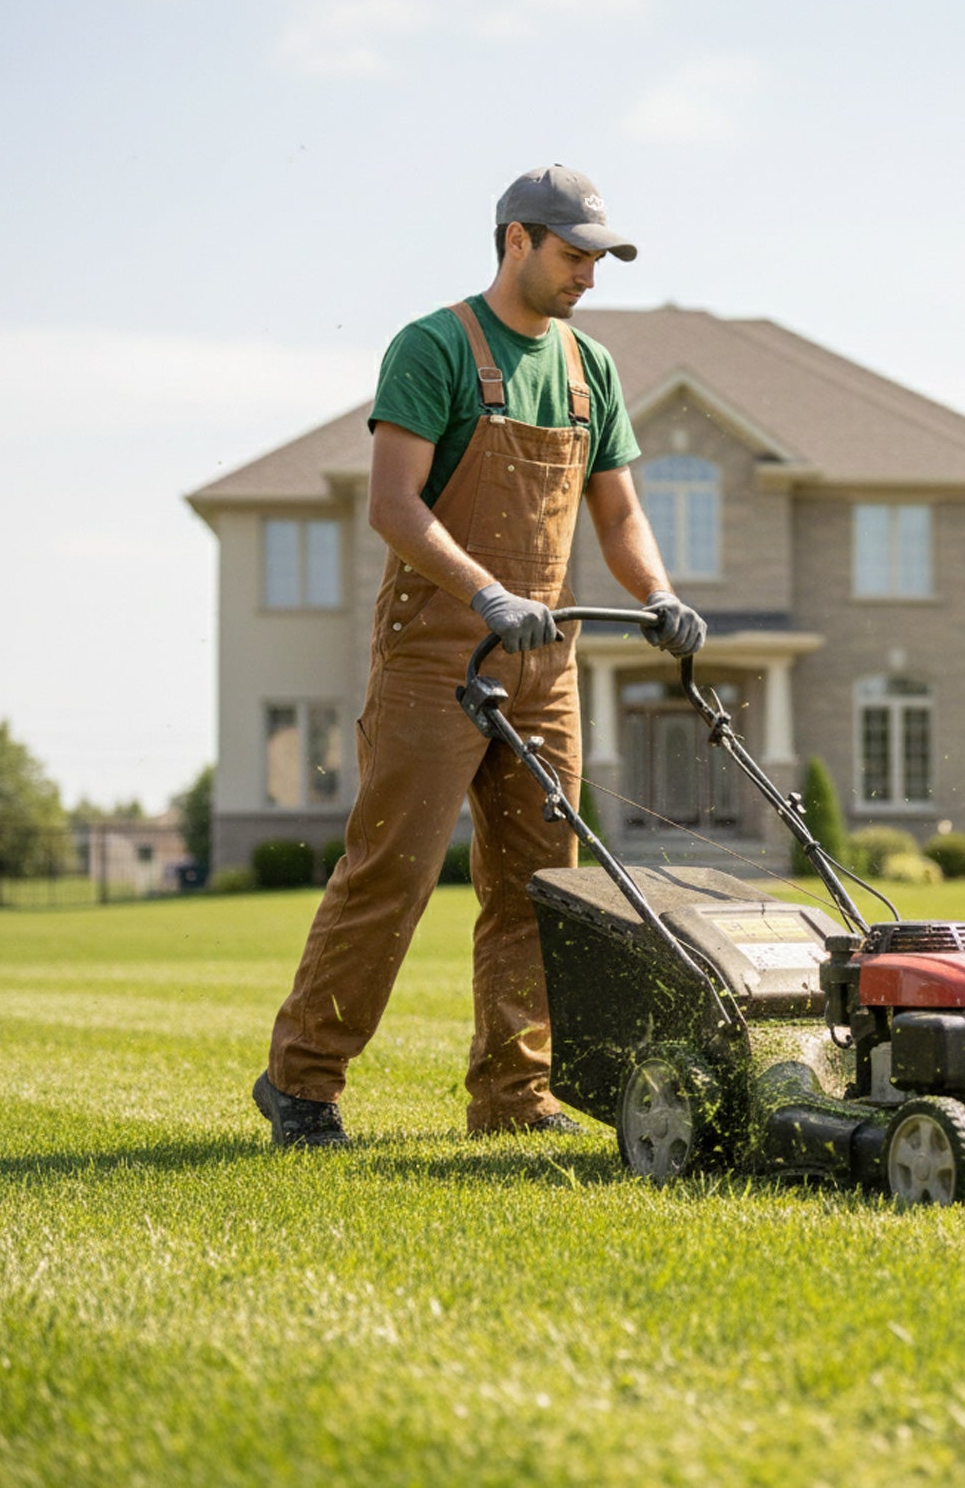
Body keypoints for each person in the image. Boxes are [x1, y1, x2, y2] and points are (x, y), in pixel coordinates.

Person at [253, 164, 705, 1148]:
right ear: (515, 240)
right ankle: (302, 1082)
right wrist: (485, 591)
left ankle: (514, 1096)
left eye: (600, 257)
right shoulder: (435, 346)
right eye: (573, 253)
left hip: (547, 670)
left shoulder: (593, 368)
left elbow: (619, 510)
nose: (589, 273)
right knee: (394, 872)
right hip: (436, 653)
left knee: (541, 886)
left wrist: (658, 595)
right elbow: (394, 503)